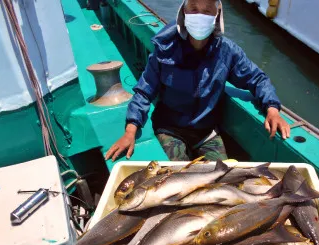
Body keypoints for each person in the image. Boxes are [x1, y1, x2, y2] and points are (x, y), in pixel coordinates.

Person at [105, 0, 290, 162]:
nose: (200, 15)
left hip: (207, 132)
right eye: (193, 9)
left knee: (221, 179)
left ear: (217, 16)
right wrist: (130, 131)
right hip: (170, 129)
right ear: (183, 13)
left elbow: (257, 79)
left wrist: (272, 108)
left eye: (207, 11)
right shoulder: (165, 49)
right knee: (178, 182)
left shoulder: (227, 52)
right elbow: (144, 92)